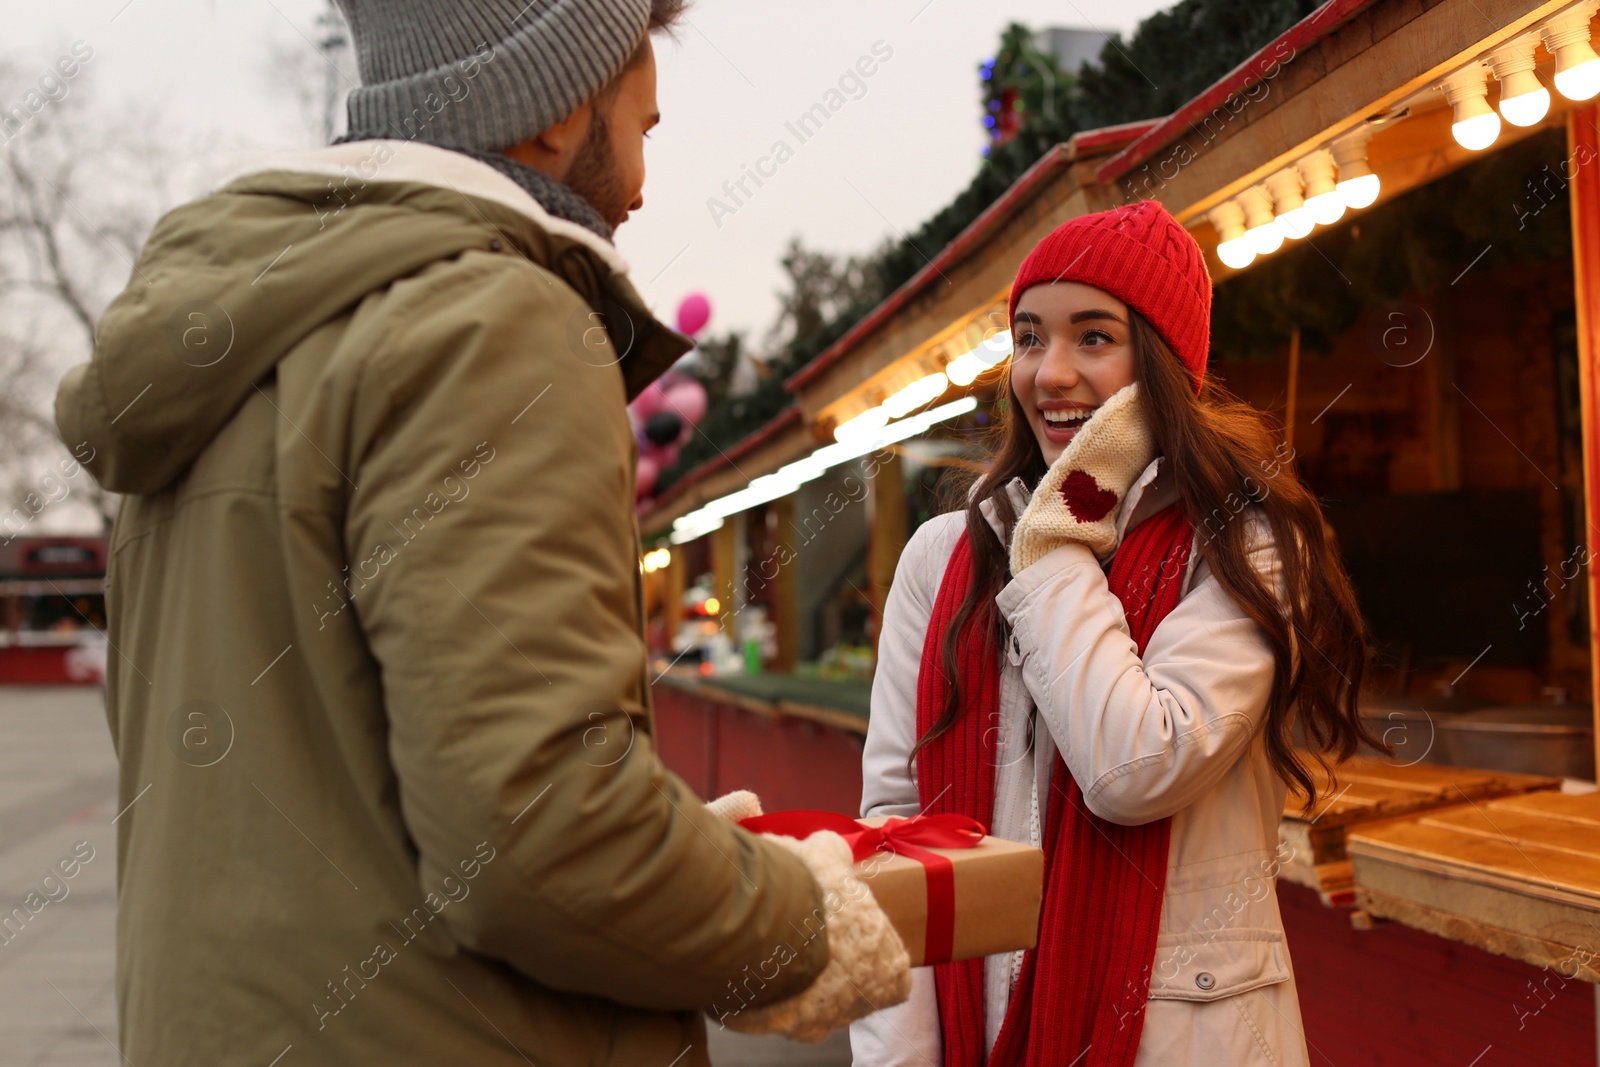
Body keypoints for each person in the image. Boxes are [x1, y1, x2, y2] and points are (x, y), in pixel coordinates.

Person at [55, 2, 906, 1063]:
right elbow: (542, 842)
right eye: (642, 128)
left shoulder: (228, 350)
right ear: (547, 111)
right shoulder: (498, 319)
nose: (640, 188)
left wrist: (680, 856)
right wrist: (803, 921)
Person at [849, 200, 1377, 1066]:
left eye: (1093, 337)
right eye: (1029, 337)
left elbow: (1135, 768)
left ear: (1163, 366)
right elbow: (895, 832)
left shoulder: (1246, 547)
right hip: (972, 1034)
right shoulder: (941, 557)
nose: (1049, 371)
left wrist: (1054, 545)